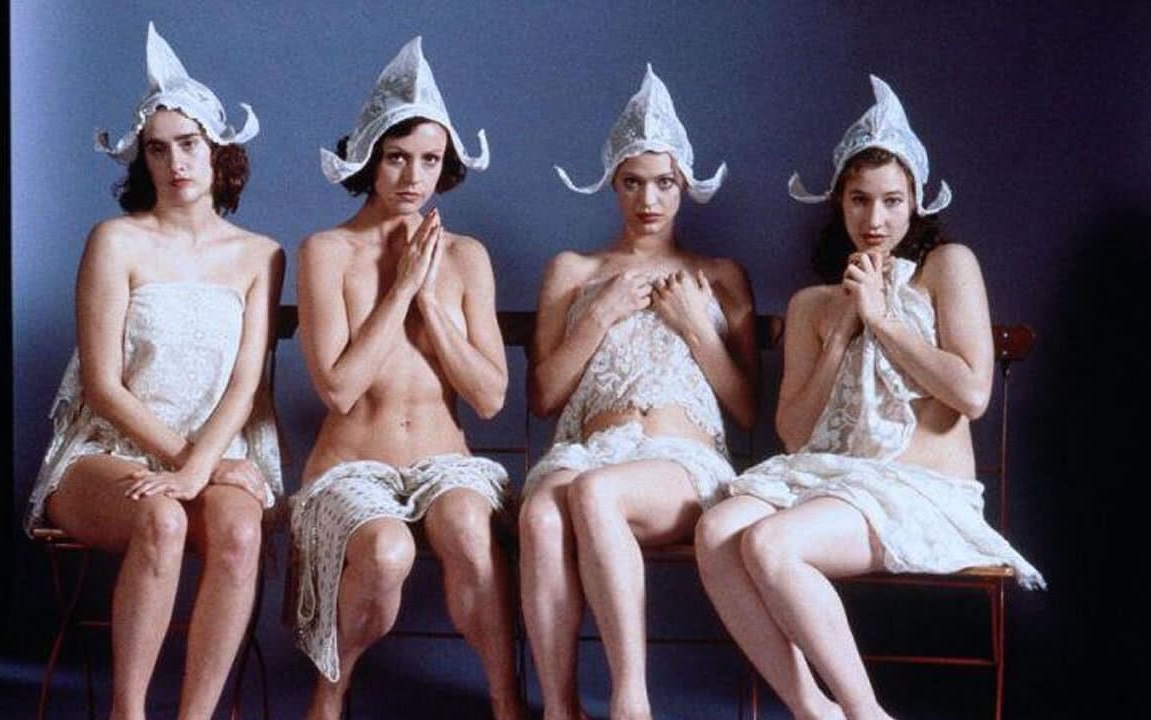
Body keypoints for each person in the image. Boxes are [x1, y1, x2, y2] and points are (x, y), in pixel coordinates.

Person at [694, 75, 1046, 720]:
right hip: (827, 477)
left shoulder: (949, 266)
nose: (875, 220)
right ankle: (813, 710)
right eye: (859, 200)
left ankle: (865, 714)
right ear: (839, 203)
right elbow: (795, 433)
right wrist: (841, 333)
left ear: (917, 201)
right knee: (716, 530)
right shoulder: (812, 303)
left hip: (919, 490)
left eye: (891, 200)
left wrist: (884, 320)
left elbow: (972, 394)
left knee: (770, 544)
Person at [24, 21, 284, 720]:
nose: (176, 163)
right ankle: (129, 711)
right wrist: (190, 468)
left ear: (218, 150)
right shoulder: (114, 242)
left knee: (240, 532)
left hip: (213, 449)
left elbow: (245, 386)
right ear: (143, 158)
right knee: (163, 519)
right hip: (107, 451)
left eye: (189, 144)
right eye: (158, 148)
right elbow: (103, 386)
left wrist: (203, 466)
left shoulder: (261, 255)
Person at [285, 36, 525, 720]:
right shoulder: (327, 251)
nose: (413, 177)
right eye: (397, 157)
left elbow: (490, 396)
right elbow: (338, 389)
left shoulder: (466, 257)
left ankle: (506, 700)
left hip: (445, 461)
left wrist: (431, 302)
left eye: (430, 160)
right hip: (351, 466)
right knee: (388, 551)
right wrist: (400, 289)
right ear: (369, 158)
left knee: (469, 527)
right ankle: (330, 693)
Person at [519, 64, 760, 720]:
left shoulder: (718, 275)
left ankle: (631, 701)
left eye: (664, 183)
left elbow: (746, 410)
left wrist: (696, 326)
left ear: (684, 186)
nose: (648, 200)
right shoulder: (574, 270)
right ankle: (560, 709)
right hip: (589, 449)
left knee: (595, 494)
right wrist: (599, 315)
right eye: (633, 182)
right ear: (612, 183)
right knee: (541, 515)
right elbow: (542, 397)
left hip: (678, 463)